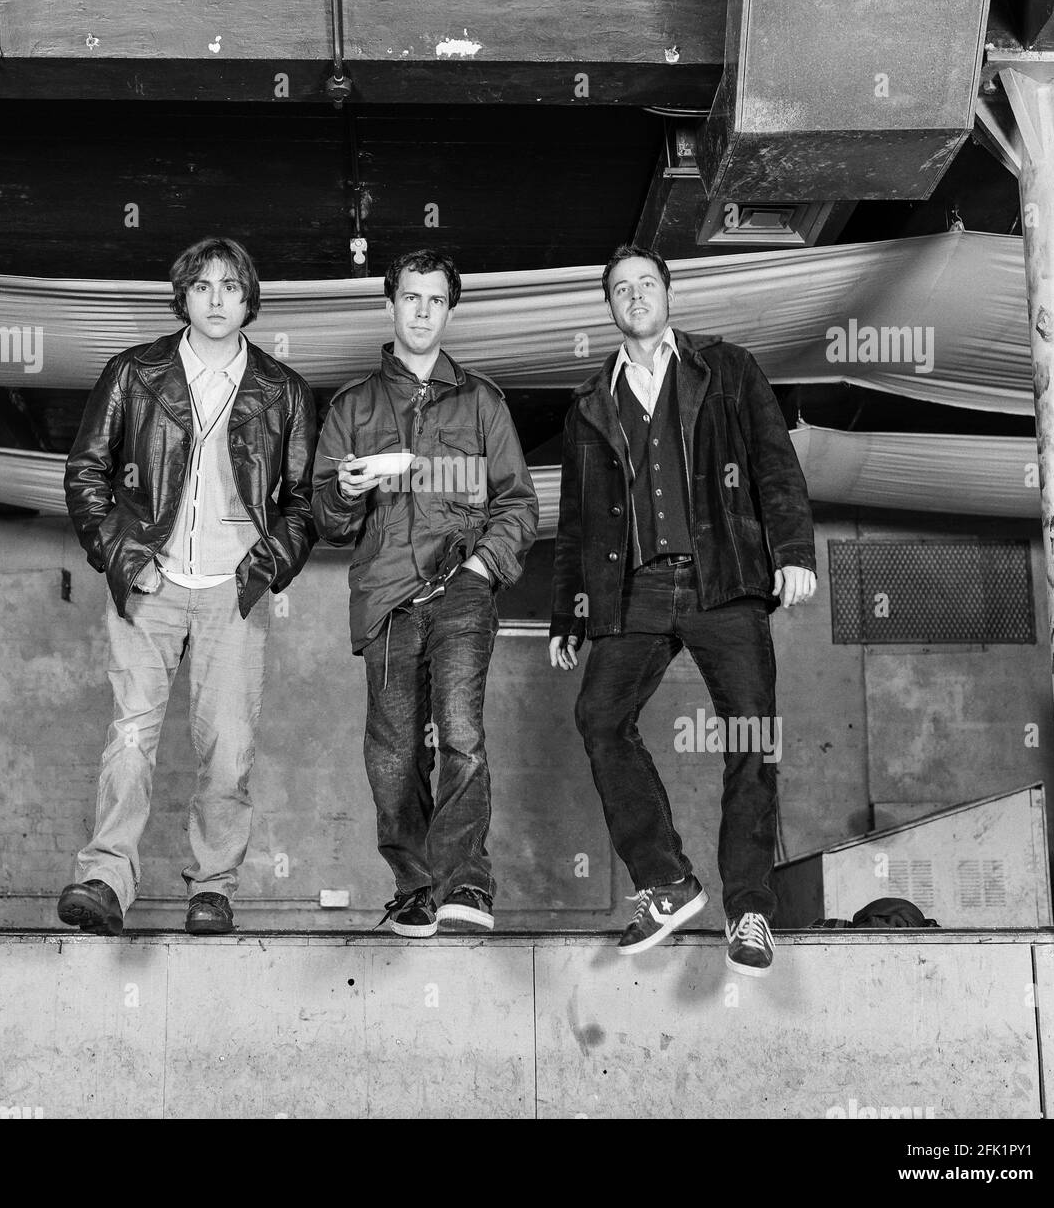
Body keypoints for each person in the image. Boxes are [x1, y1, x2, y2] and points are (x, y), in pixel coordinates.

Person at [548, 243, 816, 976]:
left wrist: (793, 552)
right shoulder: (589, 403)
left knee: (750, 736)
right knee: (599, 718)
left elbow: (773, 463)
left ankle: (752, 910)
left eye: (646, 283)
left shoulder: (726, 369)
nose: (635, 296)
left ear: (668, 293)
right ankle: (666, 881)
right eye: (621, 288)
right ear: (609, 306)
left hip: (722, 578)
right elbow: (578, 520)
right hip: (634, 588)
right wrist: (570, 613)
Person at [58, 236, 316, 936]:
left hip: (235, 591)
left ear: (249, 299)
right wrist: (120, 555)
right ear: (183, 297)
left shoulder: (282, 391)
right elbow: (85, 472)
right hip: (150, 583)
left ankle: (213, 890)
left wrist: (263, 569)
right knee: (131, 735)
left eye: (230, 286)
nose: (216, 299)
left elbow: (302, 502)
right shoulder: (134, 373)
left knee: (228, 749)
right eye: (201, 286)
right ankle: (105, 878)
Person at [312, 249, 538, 936]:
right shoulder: (352, 405)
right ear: (390, 305)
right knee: (391, 750)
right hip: (385, 596)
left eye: (434, 300)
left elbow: (519, 506)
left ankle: (465, 882)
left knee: (461, 734)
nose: (420, 310)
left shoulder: (483, 402)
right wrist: (344, 492)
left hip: (461, 588)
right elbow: (325, 519)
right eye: (410, 298)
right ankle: (416, 884)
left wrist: (481, 568)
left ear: (448, 309)